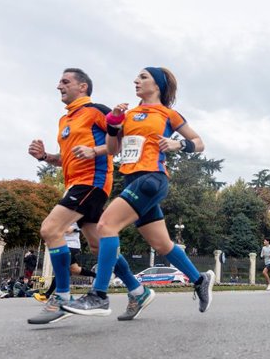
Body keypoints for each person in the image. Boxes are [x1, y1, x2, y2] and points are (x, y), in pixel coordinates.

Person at [61, 66, 213, 317]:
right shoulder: (129, 114)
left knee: (105, 226)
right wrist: (112, 125)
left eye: (143, 77)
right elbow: (113, 148)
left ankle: (98, 296)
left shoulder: (168, 114)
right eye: (137, 77)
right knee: (162, 244)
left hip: (152, 179)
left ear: (158, 86)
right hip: (131, 181)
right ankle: (199, 280)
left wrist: (178, 143)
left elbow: (199, 142)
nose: (136, 80)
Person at [27, 68, 144, 325]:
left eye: (65, 81)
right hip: (75, 184)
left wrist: (94, 151)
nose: (59, 85)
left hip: (92, 182)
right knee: (98, 246)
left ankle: (62, 296)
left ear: (83, 87)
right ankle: (138, 290)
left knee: (50, 229)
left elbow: (125, 141)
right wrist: (46, 157)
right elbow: (66, 158)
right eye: (59, 81)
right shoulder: (64, 121)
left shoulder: (96, 110)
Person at [33, 223, 97, 302]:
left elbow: (80, 226)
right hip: (64, 245)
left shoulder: (76, 215)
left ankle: (48, 295)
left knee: (61, 269)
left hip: (71, 246)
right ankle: (97, 276)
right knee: (75, 269)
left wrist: (73, 229)